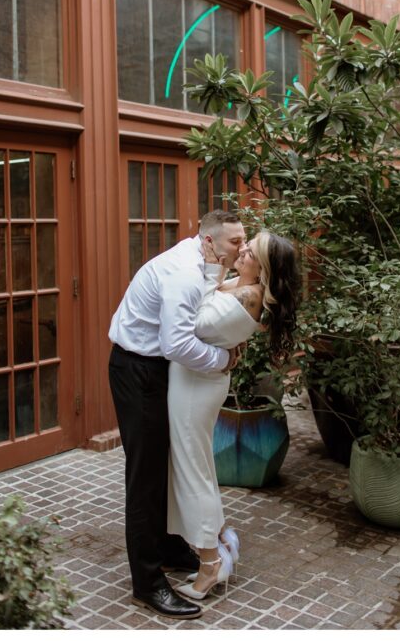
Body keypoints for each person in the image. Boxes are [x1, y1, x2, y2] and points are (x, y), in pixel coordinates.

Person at [108, 209, 246, 620]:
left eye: (244, 240)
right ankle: (147, 583)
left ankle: (169, 548)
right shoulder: (183, 274)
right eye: (235, 242)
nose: (241, 247)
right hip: (138, 370)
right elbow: (176, 344)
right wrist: (222, 360)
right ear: (209, 241)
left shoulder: (204, 262)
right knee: (146, 476)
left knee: (168, 466)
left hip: (159, 369)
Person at [166, 229, 301, 601]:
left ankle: (210, 563)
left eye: (250, 249)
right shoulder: (238, 284)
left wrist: (206, 274)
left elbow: (191, 325)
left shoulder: (246, 295)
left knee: (191, 470)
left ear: (264, 267)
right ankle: (223, 540)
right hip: (194, 381)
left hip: (196, 387)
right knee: (199, 467)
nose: (241, 250)